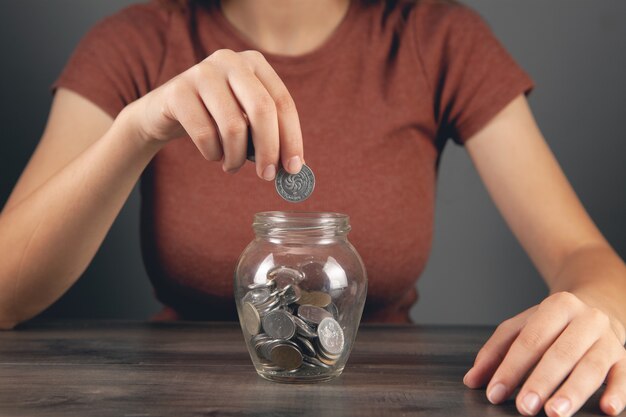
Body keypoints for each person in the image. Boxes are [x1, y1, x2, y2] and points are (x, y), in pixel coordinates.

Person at [0, 0, 625, 415]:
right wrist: (135, 131)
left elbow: (583, 254)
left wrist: (596, 314)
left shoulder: (436, 36)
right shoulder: (135, 40)